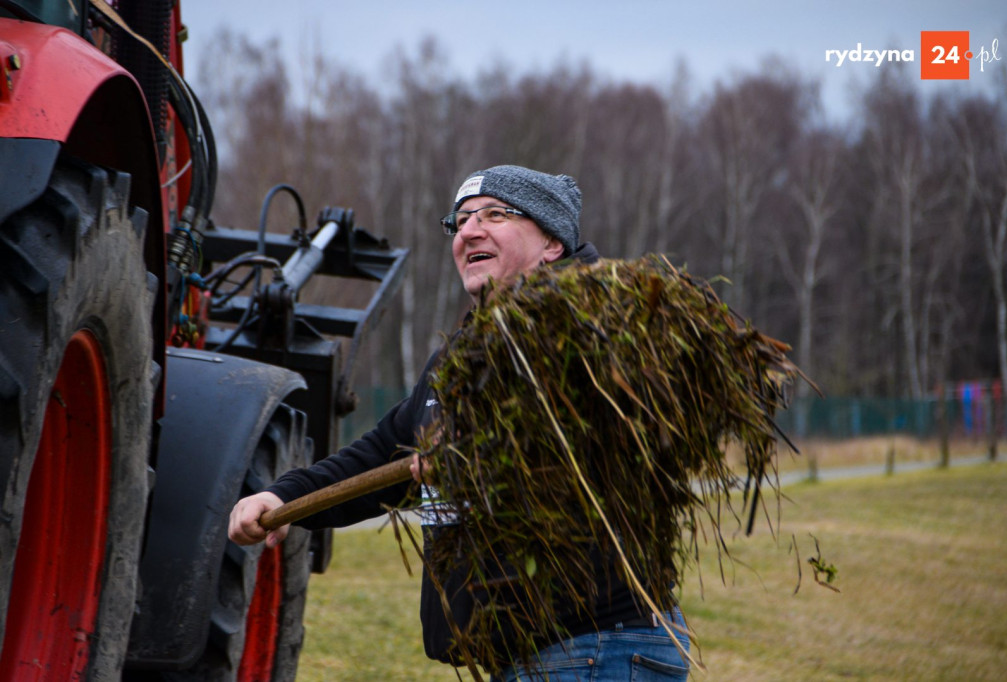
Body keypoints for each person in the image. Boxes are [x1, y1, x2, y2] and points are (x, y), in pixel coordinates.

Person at [228, 164, 691, 681]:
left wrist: (485, 455)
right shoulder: (464, 357)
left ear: (553, 243)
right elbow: (385, 453)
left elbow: (600, 438)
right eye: (462, 218)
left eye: (496, 214)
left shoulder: (590, 332)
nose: (469, 230)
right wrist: (285, 498)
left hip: (594, 647)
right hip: (539, 655)